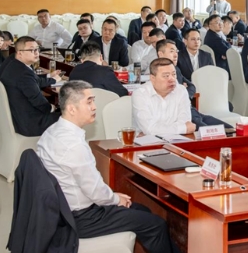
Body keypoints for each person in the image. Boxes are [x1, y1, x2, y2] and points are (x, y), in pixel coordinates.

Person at [36, 81, 177, 253]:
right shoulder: (73, 145)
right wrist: (116, 199)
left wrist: (113, 197)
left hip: (63, 209)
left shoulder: (51, 132)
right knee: (156, 225)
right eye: (89, 102)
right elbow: (94, 191)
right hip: (83, 218)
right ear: (72, 109)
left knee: (142, 210)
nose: (95, 107)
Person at [156, 40, 232, 128]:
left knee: (228, 128)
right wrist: (182, 90)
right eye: (171, 51)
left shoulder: (176, 69)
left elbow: (191, 86)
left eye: (176, 51)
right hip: (180, 115)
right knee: (209, 131)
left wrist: (184, 94)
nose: (176, 55)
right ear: (161, 54)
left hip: (191, 110)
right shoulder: (158, 74)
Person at [0, 36, 62, 136]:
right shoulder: (23, 74)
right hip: (30, 123)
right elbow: (37, 100)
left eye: (37, 49)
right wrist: (51, 108)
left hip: (18, 116)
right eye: (32, 50)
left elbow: (33, 81)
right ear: (20, 53)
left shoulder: (15, 65)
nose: (36, 53)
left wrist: (50, 77)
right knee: (69, 116)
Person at [132, 58, 196, 136]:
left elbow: (185, 122)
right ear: (152, 78)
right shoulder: (140, 94)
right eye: (166, 76)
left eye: (174, 74)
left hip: (176, 140)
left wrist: (157, 130)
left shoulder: (181, 91)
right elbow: (149, 129)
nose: (172, 79)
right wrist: (183, 129)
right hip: (147, 142)